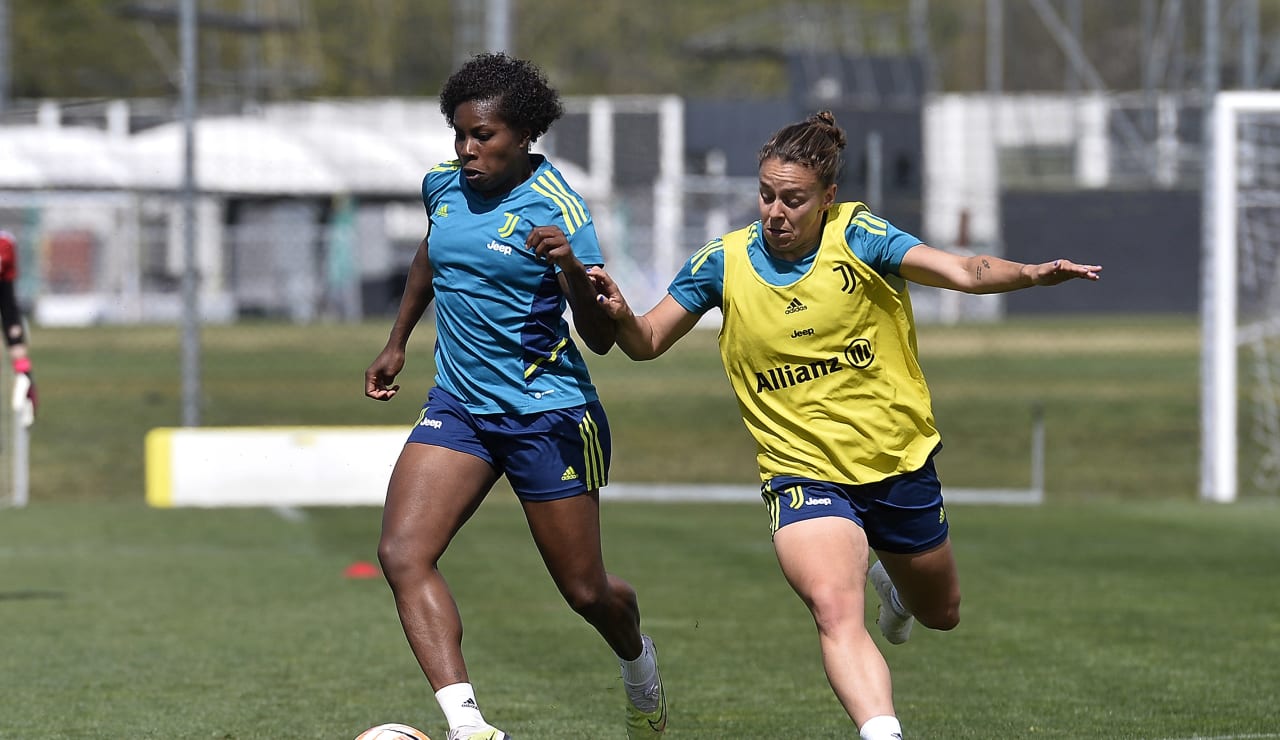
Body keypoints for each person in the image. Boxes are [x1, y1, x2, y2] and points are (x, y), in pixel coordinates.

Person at [589, 111, 1101, 740]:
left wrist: (1030, 274)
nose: (776, 211)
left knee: (940, 612)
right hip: (800, 473)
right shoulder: (722, 263)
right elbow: (645, 342)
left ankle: (890, 581)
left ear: (827, 199)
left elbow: (964, 271)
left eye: (794, 199)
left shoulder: (860, 238)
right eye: (767, 195)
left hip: (897, 463)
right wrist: (617, 313)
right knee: (835, 607)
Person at [363, 53, 665, 740]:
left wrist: (566, 266)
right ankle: (469, 727)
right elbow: (432, 254)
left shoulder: (560, 209)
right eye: (460, 135)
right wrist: (398, 339)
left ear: (524, 134)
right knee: (402, 553)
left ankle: (637, 656)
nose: (468, 150)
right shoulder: (442, 187)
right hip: (460, 408)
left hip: (548, 415)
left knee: (586, 592)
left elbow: (600, 338)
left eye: (484, 137)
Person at [0, 230, 36, 427]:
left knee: (18, 353)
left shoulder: (5, 242)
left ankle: (28, 400)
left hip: (5, 303)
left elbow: (7, 297)